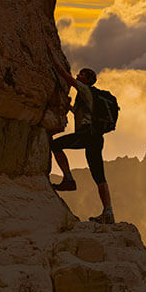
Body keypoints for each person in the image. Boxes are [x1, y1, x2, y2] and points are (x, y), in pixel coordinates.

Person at [48, 47, 114, 224]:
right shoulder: (86, 98)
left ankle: (68, 179)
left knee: (54, 145)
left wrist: (51, 55)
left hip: (87, 135)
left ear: (88, 80)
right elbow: (77, 112)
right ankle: (108, 212)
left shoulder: (85, 90)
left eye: (81, 75)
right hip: (96, 137)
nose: (78, 76)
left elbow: (66, 77)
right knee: (99, 176)